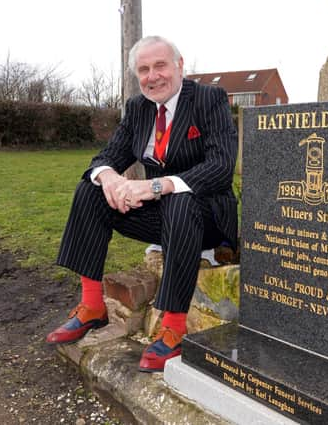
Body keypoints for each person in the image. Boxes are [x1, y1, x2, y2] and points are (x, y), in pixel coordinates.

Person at [46, 35, 238, 373]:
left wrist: (155, 186)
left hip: (208, 218)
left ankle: (174, 326)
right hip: (164, 220)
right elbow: (105, 157)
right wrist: (111, 179)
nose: (152, 76)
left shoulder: (210, 99)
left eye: (160, 65)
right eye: (144, 70)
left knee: (180, 200)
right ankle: (92, 306)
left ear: (179, 66)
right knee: (89, 190)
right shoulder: (138, 108)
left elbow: (221, 168)